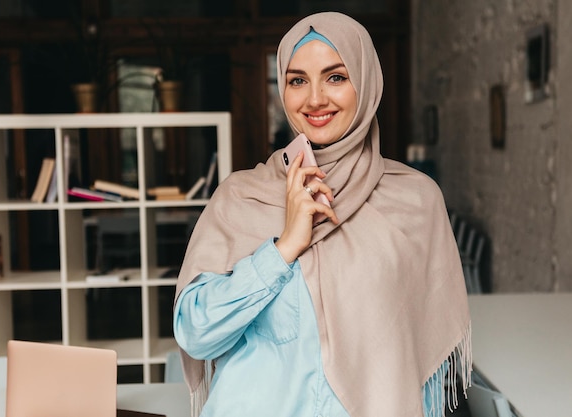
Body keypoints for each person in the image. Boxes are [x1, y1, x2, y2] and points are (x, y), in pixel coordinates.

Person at [173, 11, 471, 417]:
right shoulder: (241, 197)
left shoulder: (416, 200)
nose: (314, 99)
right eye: (298, 80)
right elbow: (195, 334)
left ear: (365, 84)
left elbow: (424, 369)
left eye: (335, 77)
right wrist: (283, 249)